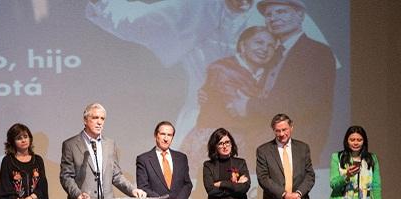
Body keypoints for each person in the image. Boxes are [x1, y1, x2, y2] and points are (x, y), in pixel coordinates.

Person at [86, 0, 256, 144]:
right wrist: (102, 4)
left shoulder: (273, 14)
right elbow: (139, 21)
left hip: (258, 123)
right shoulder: (198, 9)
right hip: (202, 121)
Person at [234, 0, 336, 165]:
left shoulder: (317, 53)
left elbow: (302, 104)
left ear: (300, 15)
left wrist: (248, 106)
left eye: (281, 12)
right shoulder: (273, 54)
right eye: (268, 15)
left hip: (296, 149)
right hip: (263, 148)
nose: (273, 18)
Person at [195, 26, 276, 165]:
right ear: (243, 46)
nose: (265, 49)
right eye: (259, 42)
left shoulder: (271, 73)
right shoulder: (221, 69)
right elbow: (237, 111)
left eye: (271, 45)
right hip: (217, 146)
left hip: (251, 146)